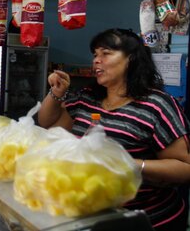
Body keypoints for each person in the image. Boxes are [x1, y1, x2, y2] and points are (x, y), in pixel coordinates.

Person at [38, 28, 190, 231]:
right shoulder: (88, 98)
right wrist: (56, 93)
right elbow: (50, 126)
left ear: (131, 59)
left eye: (106, 53)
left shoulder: (157, 105)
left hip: (147, 221)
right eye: (95, 55)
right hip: (93, 217)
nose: (96, 60)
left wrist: (130, 164)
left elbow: (184, 168)